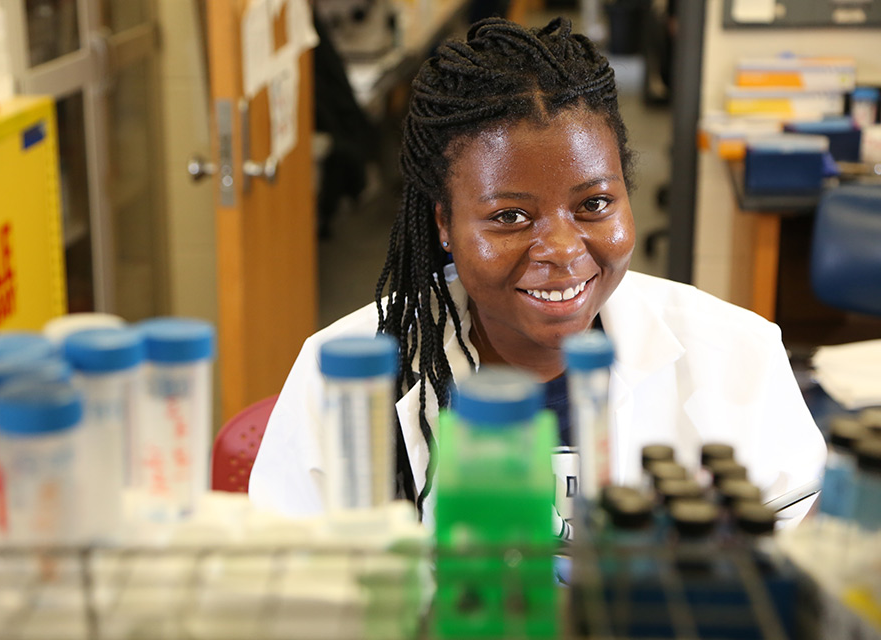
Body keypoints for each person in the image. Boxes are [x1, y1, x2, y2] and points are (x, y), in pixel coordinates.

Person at [248, 18, 825, 527]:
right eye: (510, 216)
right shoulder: (340, 375)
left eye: (594, 204)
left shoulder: (737, 356)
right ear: (444, 223)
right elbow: (285, 597)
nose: (561, 249)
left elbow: (800, 583)